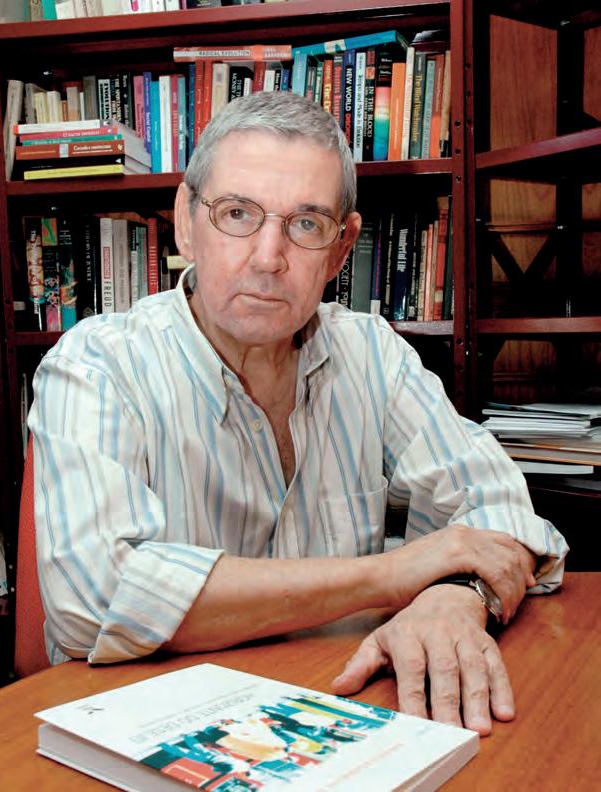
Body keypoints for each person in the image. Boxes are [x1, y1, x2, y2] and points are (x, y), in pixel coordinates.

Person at [29, 91, 568, 737]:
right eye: (236, 214)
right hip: (151, 728)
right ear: (185, 222)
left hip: (341, 708)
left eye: (305, 224)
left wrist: (452, 597)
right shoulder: (97, 364)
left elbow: (502, 510)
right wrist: (392, 575)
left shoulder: (371, 353)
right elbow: (94, 600)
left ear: (341, 249)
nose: (267, 257)